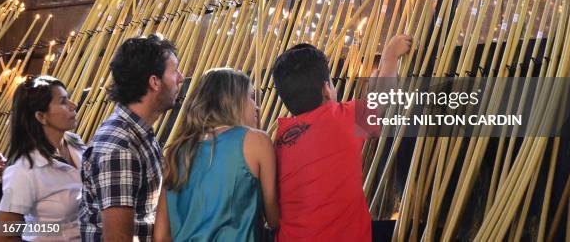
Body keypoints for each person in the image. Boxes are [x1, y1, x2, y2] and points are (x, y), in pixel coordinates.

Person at [271, 35, 412, 241]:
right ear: (327, 90)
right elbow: (383, 96)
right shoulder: (342, 119)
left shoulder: (281, 137)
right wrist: (390, 56)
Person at [79, 34, 184, 242]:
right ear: (155, 82)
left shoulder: (140, 133)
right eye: (175, 71)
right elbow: (118, 238)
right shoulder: (120, 147)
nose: (181, 78)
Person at [154, 68, 278, 242]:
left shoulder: (177, 151)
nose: (256, 105)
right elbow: (274, 218)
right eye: (250, 96)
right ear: (233, 100)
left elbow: (161, 236)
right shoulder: (256, 141)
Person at [0, 75, 85, 241]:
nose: (74, 105)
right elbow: (3, 232)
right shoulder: (24, 170)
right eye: (63, 101)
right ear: (41, 116)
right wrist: (54, 228)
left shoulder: (75, 144)